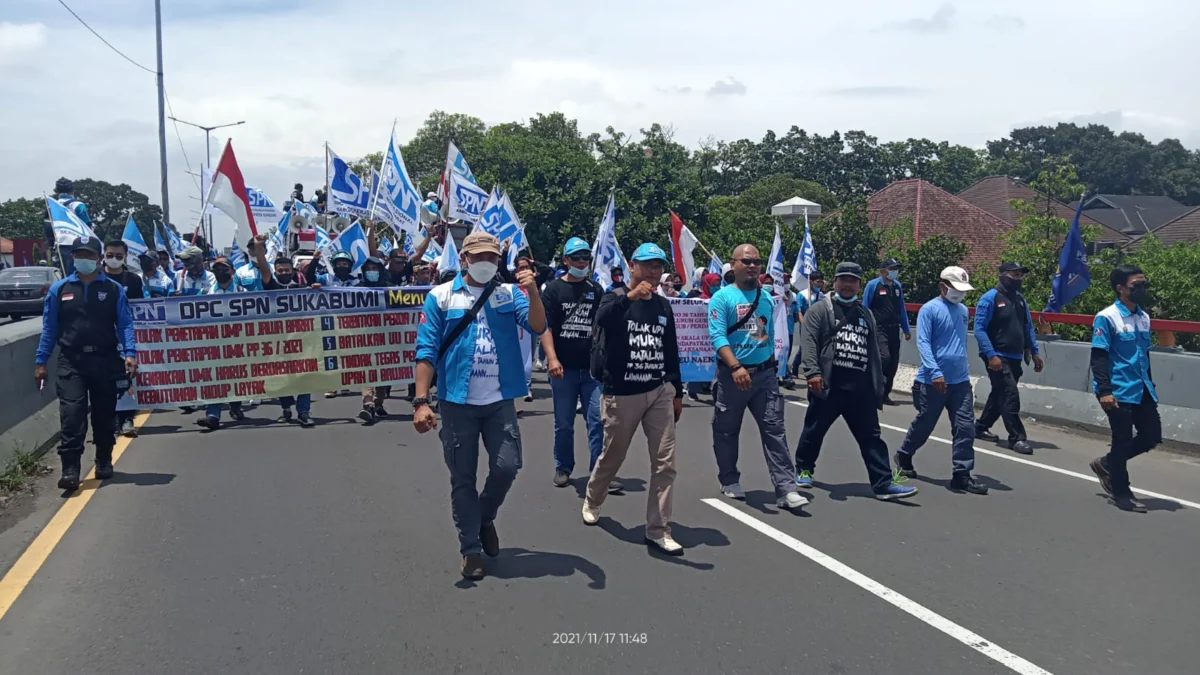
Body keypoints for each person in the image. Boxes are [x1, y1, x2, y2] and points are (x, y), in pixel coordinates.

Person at [413, 231, 545, 580]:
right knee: (463, 478)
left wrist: (532, 291)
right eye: (479, 257)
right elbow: (426, 352)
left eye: (492, 257)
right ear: (465, 259)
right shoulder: (440, 297)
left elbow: (537, 325)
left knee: (507, 467)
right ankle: (470, 547)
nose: (486, 263)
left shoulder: (508, 295)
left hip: (499, 400)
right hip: (457, 403)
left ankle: (484, 517)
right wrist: (421, 401)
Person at [582, 242, 684, 554]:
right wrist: (630, 298)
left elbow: (671, 352)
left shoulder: (664, 306)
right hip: (622, 393)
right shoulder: (614, 296)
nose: (654, 272)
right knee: (613, 456)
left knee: (665, 463)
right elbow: (601, 321)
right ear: (632, 265)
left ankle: (657, 528)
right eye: (648, 265)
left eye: (659, 266)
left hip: (658, 392)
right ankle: (593, 497)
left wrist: (677, 391)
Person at [794, 262, 918, 500]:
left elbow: (873, 350)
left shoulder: (865, 314)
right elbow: (808, 341)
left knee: (871, 437)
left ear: (860, 285)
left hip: (860, 389)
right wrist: (812, 372)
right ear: (835, 282)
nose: (848, 285)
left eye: (853, 281)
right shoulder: (820, 310)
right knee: (814, 430)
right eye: (844, 279)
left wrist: (878, 383)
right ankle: (804, 469)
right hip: (829, 385)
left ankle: (883, 483)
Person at [708, 245, 806, 510]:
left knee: (775, 430)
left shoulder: (766, 297)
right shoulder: (722, 298)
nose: (752, 266)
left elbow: (763, 330)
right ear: (734, 264)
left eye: (757, 262)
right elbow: (718, 336)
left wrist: (770, 361)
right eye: (746, 261)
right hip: (733, 377)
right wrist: (736, 367)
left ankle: (786, 488)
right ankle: (729, 479)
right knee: (726, 431)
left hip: (765, 377)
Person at [35, 236, 137, 491]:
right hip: (71, 361)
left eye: (90, 255)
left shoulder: (113, 290)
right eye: (80, 255)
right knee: (72, 415)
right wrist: (41, 360)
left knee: (103, 416)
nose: (85, 260)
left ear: (98, 258)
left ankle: (104, 460)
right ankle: (70, 468)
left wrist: (130, 353)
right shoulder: (59, 290)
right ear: (73, 257)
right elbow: (49, 328)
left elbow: (125, 324)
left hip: (105, 360)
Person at [892, 267, 988, 494]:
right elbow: (923, 342)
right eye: (954, 288)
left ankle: (962, 474)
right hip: (932, 380)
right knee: (925, 423)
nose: (959, 293)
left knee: (965, 427)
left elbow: (959, 342)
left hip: (960, 381)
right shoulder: (930, 309)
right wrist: (935, 372)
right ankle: (905, 453)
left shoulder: (963, 310)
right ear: (942, 285)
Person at [1088, 265, 1161, 513]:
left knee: (1152, 436)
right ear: (1120, 288)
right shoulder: (1107, 317)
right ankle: (1121, 493)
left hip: (1142, 389)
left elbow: (1145, 355)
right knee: (1122, 441)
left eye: (1143, 283)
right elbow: (1099, 357)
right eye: (1135, 285)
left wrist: (1151, 385)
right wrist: (1105, 390)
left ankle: (1107, 463)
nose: (1141, 288)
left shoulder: (1144, 317)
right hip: (1117, 389)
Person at [540, 238, 608, 490]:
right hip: (563, 369)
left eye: (585, 258)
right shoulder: (554, 290)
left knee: (597, 421)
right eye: (577, 257)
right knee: (564, 422)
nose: (582, 262)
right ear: (566, 260)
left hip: (591, 370)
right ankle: (563, 466)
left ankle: (598, 472)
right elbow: (545, 327)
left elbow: (603, 326)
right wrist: (552, 358)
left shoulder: (595, 289)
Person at [974, 262, 1044, 455]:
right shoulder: (989, 299)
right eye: (1014, 274)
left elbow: (1027, 327)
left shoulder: (1020, 299)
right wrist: (991, 355)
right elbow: (979, 329)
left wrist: (1035, 351)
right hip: (997, 356)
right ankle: (1017, 438)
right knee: (1010, 394)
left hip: (1015, 355)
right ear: (1003, 275)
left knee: (1000, 394)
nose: (1019, 278)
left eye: (1021, 274)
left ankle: (979, 427)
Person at [195, 255, 252, 431]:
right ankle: (213, 414)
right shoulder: (205, 293)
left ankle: (235, 406)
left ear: (232, 272)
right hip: (213, 343)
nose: (220, 272)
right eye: (216, 269)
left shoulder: (243, 293)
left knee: (236, 376)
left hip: (238, 342)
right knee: (215, 378)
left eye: (224, 268)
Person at [103, 241, 147, 438]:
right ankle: (109, 420)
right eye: (110, 254)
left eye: (119, 256)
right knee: (105, 381)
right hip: (102, 337)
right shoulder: (96, 279)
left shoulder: (133, 280)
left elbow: (142, 308)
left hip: (127, 336)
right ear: (103, 254)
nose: (114, 259)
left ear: (126, 256)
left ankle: (127, 419)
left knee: (127, 378)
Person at [862, 258, 911, 405]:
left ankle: (885, 394)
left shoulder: (897, 286)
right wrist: (865, 326)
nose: (895, 271)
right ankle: (874, 387)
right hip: (879, 327)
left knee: (893, 362)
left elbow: (901, 308)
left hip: (894, 328)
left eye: (896, 268)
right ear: (883, 270)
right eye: (892, 268)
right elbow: (865, 307)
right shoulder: (873, 285)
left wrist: (906, 328)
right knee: (885, 357)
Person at [357, 257, 394, 424]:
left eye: (375, 268)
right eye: (369, 268)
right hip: (365, 338)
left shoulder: (390, 289)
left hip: (386, 337)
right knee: (368, 373)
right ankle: (369, 404)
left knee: (383, 375)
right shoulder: (357, 289)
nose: (372, 271)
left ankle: (378, 403)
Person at [47, 178, 92, 275]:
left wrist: (51, 246)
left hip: (60, 245)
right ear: (72, 190)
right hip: (79, 245)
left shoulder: (51, 206)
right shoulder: (79, 205)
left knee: (63, 274)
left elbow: (48, 228)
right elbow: (87, 225)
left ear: (56, 191)